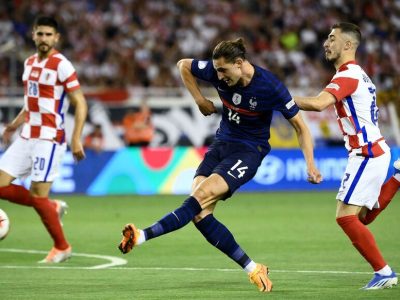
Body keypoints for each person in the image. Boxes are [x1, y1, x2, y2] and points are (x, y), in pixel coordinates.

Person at [118, 38, 322, 292]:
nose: (218, 76)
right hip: (221, 144)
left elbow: (300, 127)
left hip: (249, 151)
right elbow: (183, 65)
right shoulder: (218, 71)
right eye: (216, 70)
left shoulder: (270, 87)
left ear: (239, 64)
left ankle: (141, 235)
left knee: (199, 197)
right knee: (200, 213)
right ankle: (253, 268)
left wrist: (310, 165)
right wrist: (199, 99)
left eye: (223, 70)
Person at [293, 22, 400, 290]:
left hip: (367, 153)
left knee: (345, 217)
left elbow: (318, 104)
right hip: (371, 151)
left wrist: (278, 98)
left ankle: (384, 272)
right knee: (360, 219)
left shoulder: (348, 75)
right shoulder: (359, 75)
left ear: (348, 45)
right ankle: (398, 175)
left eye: (332, 38)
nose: (326, 43)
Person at [0, 16, 87, 263]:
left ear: (56, 38)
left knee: (38, 195)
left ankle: (62, 247)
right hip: (26, 136)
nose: (44, 39)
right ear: (34, 35)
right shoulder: (28, 63)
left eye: (49, 35)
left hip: (49, 139)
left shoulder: (62, 65)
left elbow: (79, 102)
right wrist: (14, 125)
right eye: (40, 34)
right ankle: (53, 207)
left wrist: (76, 138)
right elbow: (31, 103)